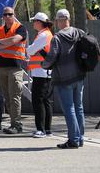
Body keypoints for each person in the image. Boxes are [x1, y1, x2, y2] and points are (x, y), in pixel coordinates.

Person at [41, 9, 86, 149]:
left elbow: (52, 57)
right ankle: (80, 138)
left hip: (64, 78)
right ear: (69, 19)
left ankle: (73, 140)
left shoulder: (58, 37)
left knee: (69, 109)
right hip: (79, 76)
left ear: (59, 20)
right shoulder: (79, 33)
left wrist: (43, 64)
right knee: (79, 108)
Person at [0, 6, 27, 134]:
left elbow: (14, 39)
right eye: (5, 14)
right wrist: (7, 42)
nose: (7, 17)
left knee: (14, 96)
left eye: (9, 14)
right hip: (1, 67)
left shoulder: (20, 28)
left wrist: (1, 43)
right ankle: (13, 124)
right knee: (7, 97)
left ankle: (16, 125)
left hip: (15, 67)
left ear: (14, 14)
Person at [26, 12, 53, 138]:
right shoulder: (45, 34)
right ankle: (46, 129)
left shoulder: (43, 35)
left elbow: (30, 50)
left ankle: (41, 129)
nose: (33, 23)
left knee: (38, 101)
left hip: (41, 72)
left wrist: (29, 48)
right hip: (43, 72)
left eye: (34, 21)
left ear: (39, 22)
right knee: (45, 101)